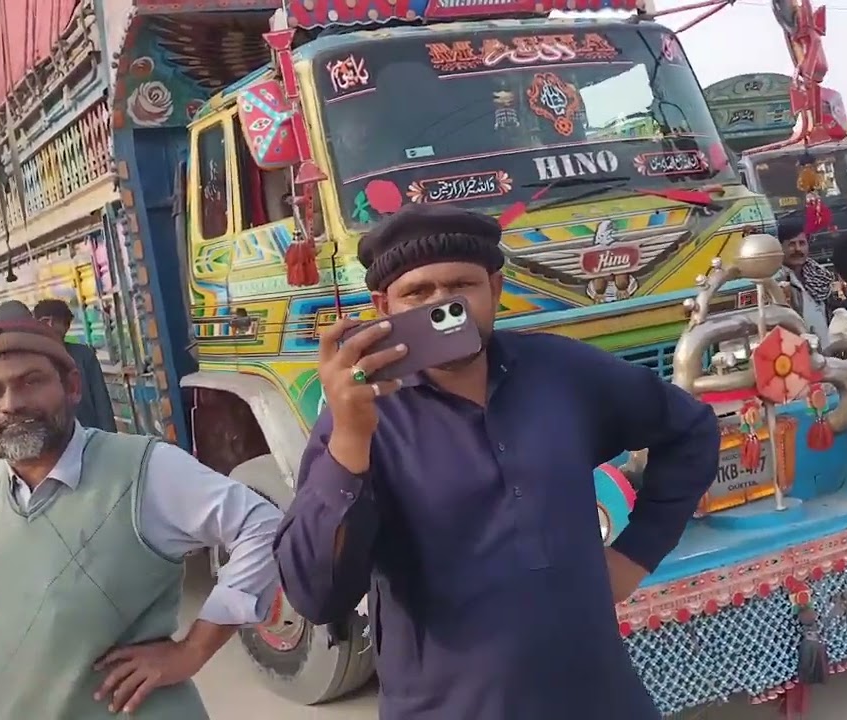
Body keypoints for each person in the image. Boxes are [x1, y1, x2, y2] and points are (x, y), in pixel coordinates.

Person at [274, 204, 720, 720]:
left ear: (495, 289)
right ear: (383, 306)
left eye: (461, 285)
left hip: (600, 697)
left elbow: (690, 431)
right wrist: (351, 439)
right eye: (418, 294)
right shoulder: (364, 414)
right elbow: (315, 596)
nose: (444, 305)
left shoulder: (562, 372)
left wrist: (634, 555)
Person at [0, 318, 282, 719]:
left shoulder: (144, 469)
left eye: (31, 381)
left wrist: (193, 650)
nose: (12, 403)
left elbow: (265, 527)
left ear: (72, 386)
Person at [33, 298, 116, 431]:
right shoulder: (32, 359)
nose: (51, 326)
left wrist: (110, 438)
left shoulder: (83, 354)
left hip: (88, 434)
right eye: (45, 321)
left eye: (65, 323)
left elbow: (101, 402)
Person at [774, 214, 844, 346]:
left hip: (827, 351)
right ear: (780, 248)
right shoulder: (776, 281)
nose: (798, 249)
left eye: (802, 243)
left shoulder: (820, 275)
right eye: (791, 244)